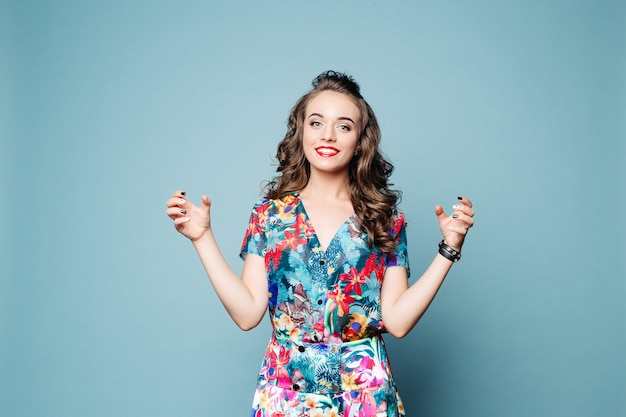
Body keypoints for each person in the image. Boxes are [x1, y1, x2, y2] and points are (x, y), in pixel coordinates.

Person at [166, 70, 474, 417]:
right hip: (285, 393)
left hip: (364, 395)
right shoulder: (270, 216)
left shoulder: (384, 219)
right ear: (301, 133)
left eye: (343, 126)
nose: (328, 135)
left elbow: (398, 322)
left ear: (360, 141)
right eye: (316, 123)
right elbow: (248, 313)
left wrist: (448, 250)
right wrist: (202, 238)